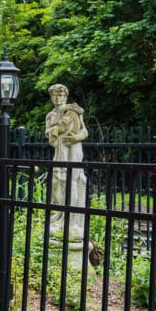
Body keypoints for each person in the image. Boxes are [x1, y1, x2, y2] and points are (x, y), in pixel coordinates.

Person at [44, 84, 88, 240]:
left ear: (65, 96)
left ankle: (69, 217)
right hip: (60, 149)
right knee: (56, 182)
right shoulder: (51, 115)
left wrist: (76, 137)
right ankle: (60, 212)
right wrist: (54, 131)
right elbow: (47, 132)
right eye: (55, 95)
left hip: (73, 148)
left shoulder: (74, 111)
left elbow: (84, 131)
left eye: (61, 95)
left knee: (72, 181)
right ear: (51, 97)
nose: (58, 98)